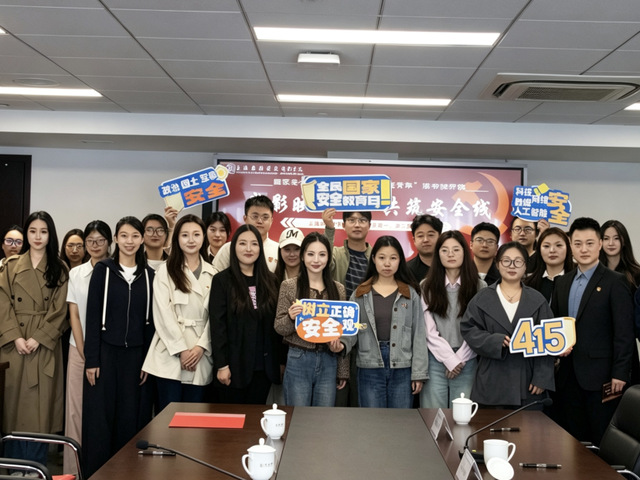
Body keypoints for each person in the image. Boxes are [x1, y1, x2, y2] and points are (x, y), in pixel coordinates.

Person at [551, 217, 635, 445]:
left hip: (602, 377)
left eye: (589, 243)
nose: (584, 249)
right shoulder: (562, 282)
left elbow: (624, 332)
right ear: (571, 245)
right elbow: (555, 324)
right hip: (567, 375)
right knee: (570, 440)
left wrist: (620, 373)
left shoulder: (615, 281)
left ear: (599, 244)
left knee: (601, 439)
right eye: (578, 243)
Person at [82, 216, 155, 477]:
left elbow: (151, 324)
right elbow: (92, 317)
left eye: (135, 236)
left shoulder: (149, 275)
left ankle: (126, 473)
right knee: (100, 420)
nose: (129, 241)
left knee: (129, 418)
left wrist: (147, 361)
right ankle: (96, 473)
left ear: (142, 239)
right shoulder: (103, 270)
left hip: (135, 356)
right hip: (105, 353)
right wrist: (92, 359)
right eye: (124, 236)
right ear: (115, 239)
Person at [0, 211, 69, 466]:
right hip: (14, 343)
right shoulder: (11, 266)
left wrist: (39, 337)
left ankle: (36, 466)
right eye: (32, 231)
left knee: (41, 407)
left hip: (44, 344)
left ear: (50, 235)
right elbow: (2, 303)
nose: (38, 237)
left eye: (43, 231)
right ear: (26, 234)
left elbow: (61, 309)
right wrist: (15, 337)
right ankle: (12, 465)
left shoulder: (59, 268)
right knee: (12, 406)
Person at [332, 236, 428, 408]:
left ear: (400, 260)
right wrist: (341, 345)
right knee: (372, 420)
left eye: (393, 258)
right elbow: (351, 330)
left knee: (400, 419)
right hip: (369, 365)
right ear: (374, 259)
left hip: (402, 366)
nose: (387, 263)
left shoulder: (410, 294)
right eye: (382, 257)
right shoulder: (360, 294)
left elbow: (419, 334)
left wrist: (418, 373)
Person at [461, 242, 555, 409]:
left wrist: (542, 377)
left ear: (525, 266)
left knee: (528, 426)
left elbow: (548, 339)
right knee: (489, 425)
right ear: (497, 264)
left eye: (518, 261)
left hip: (527, 382)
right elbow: (469, 329)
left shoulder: (537, 300)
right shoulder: (482, 298)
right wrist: (493, 341)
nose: (512, 266)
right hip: (491, 379)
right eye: (506, 261)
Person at [142, 215, 214, 411]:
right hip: (170, 354)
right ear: (177, 238)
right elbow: (162, 314)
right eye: (185, 235)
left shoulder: (213, 273)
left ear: (203, 237)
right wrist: (181, 350)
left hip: (201, 355)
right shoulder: (164, 271)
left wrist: (201, 347)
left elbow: (215, 318)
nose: (191, 240)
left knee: (195, 417)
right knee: (168, 416)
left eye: (196, 234)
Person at [210, 225, 281, 404]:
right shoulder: (222, 281)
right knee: (233, 418)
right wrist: (222, 365)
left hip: (263, 368)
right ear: (233, 247)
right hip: (233, 367)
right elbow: (218, 326)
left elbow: (274, 326)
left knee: (256, 417)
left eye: (254, 244)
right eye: (242, 243)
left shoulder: (271, 280)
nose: (248, 249)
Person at [275, 232, 348, 406]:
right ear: (302, 256)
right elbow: (279, 327)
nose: (316, 260)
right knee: (298, 416)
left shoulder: (338, 289)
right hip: (298, 358)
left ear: (328, 258)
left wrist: (343, 371)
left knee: (323, 418)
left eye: (322, 254)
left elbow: (344, 330)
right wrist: (291, 318)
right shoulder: (289, 286)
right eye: (310, 254)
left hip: (329, 359)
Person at [64, 220, 112, 475]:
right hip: (78, 347)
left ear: (109, 242)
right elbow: (73, 313)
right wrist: (84, 349)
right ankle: (73, 470)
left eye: (100, 240)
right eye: (90, 241)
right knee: (75, 410)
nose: (95, 245)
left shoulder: (115, 270)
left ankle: (103, 468)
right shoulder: (76, 273)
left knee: (102, 411)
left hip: (108, 351)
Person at [420, 231, 485, 408]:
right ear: (438, 254)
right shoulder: (426, 286)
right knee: (433, 414)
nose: (450, 254)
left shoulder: (479, 286)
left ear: (465, 252)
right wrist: (449, 359)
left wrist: (459, 359)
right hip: (435, 359)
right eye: (444, 250)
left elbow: (479, 329)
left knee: (463, 415)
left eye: (456, 249)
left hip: (467, 359)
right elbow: (428, 330)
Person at [322, 208, 373, 407]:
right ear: (344, 225)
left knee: (363, 393)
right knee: (339, 395)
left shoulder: (376, 256)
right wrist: (329, 230)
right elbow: (324, 264)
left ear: (369, 225)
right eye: (351, 220)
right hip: (339, 328)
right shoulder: (335, 253)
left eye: (362, 220)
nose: (357, 224)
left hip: (368, 329)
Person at [213, 195, 279, 273]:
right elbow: (215, 276)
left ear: (271, 221)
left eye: (265, 217)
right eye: (255, 216)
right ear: (245, 219)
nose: (260, 221)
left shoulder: (279, 250)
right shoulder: (228, 248)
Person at [525, 227, 573, 302]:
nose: (552, 250)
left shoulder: (576, 282)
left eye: (558, 245)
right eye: (546, 246)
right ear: (539, 250)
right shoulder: (528, 284)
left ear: (568, 248)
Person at [600, 219, 640, 288]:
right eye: (606, 238)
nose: (611, 243)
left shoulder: (636, 274)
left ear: (624, 241)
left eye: (616, 238)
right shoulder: (593, 273)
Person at [406, 214, 443, 283]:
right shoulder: (406, 271)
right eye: (420, 236)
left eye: (430, 235)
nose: (425, 240)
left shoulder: (451, 265)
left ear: (440, 237)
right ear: (414, 240)